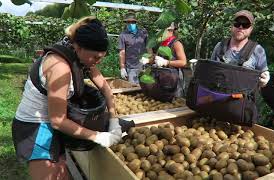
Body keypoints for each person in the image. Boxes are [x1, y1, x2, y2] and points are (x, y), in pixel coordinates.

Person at [12, 16, 122, 180]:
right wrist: (98, 136)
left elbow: (106, 89)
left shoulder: (83, 58)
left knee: (63, 174)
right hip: (35, 127)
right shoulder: (60, 67)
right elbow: (58, 120)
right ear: (77, 47)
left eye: (101, 57)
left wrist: (114, 120)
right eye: (95, 57)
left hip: (53, 124)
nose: (97, 62)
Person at [210, 10, 270, 87]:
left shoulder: (258, 50)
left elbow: (263, 75)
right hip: (219, 96)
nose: (240, 27)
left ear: (251, 29)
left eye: (245, 25)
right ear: (232, 26)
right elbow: (210, 71)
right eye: (237, 23)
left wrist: (265, 80)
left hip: (243, 97)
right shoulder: (219, 46)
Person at [142, 22, 187, 97]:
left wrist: (167, 62)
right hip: (164, 77)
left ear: (170, 31)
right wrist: (148, 60)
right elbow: (156, 58)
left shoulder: (176, 44)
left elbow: (183, 62)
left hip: (174, 77)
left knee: (175, 99)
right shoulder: (162, 44)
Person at [119, 13, 148, 84]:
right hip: (131, 67)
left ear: (136, 22)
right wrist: (122, 67)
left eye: (133, 22)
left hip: (144, 66)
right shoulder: (123, 35)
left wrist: (150, 60)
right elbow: (122, 52)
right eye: (128, 22)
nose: (131, 24)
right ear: (126, 23)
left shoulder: (143, 33)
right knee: (133, 88)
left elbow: (149, 47)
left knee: (146, 88)